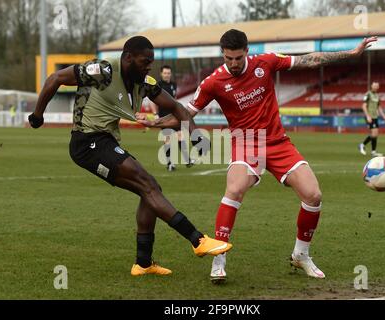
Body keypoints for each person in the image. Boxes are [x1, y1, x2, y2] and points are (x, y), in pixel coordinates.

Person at [140, 29, 377, 283]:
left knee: (313, 194)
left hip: (277, 142)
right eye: (228, 58)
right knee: (235, 189)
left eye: (238, 58)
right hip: (245, 144)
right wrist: (155, 123)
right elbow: (184, 113)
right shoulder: (213, 82)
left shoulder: (266, 62)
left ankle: (301, 254)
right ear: (223, 54)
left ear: (247, 51)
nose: (232, 63)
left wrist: (351, 53)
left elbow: (310, 59)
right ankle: (219, 257)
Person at [27, 36, 232, 277]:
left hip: (105, 141)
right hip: (86, 142)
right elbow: (56, 78)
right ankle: (197, 240)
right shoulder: (102, 70)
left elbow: (176, 106)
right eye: (145, 61)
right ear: (127, 58)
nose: (149, 67)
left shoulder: (143, 82)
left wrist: (196, 136)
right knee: (147, 185)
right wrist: (38, 115)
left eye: (151, 62)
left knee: (150, 189)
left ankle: (143, 264)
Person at [150, 65, 195, 171]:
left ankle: (187, 160)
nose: (167, 75)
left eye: (168, 73)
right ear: (161, 74)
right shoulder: (158, 85)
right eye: (165, 73)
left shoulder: (173, 84)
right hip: (163, 117)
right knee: (168, 139)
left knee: (180, 136)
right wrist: (155, 114)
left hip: (174, 115)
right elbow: (153, 101)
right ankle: (170, 163)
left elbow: (174, 100)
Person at [358, 82, 385, 156]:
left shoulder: (377, 96)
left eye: (376, 86)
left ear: (378, 87)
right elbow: (364, 106)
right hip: (369, 116)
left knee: (375, 134)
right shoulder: (368, 94)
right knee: (374, 133)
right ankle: (362, 145)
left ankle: (373, 151)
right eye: (374, 85)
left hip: (375, 117)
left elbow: (379, 107)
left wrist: (383, 116)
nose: (375, 87)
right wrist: (367, 116)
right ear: (371, 86)